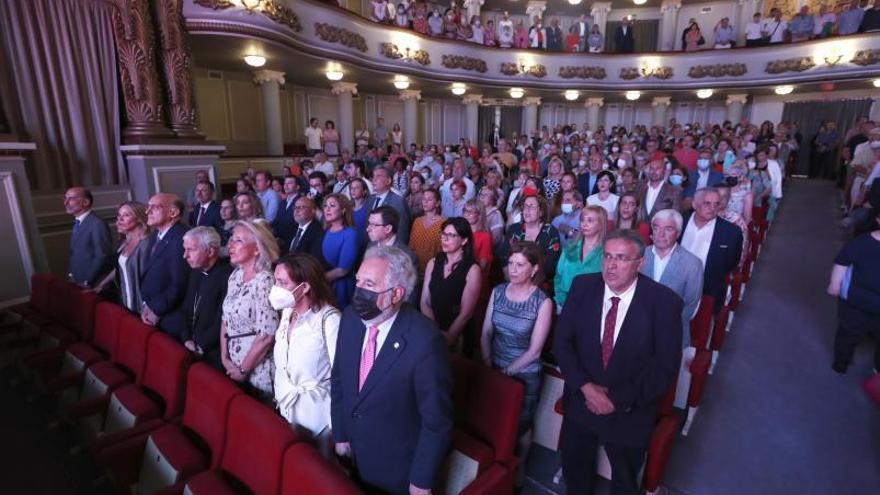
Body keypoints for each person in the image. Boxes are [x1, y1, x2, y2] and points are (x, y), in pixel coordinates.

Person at [554, 229, 682, 495]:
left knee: (624, 481)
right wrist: (587, 388)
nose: (611, 265)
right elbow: (562, 344)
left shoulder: (664, 303)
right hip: (582, 400)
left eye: (622, 258)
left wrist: (616, 400)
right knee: (575, 471)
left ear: (640, 263)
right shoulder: (582, 286)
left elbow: (664, 367)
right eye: (608, 256)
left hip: (629, 409)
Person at [330, 246, 453, 495]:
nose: (359, 292)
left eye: (369, 284)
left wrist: (421, 479)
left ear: (396, 294)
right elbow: (339, 380)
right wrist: (341, 434)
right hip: (353, 452)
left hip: (395, 467)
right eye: (358, 281)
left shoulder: (425, 341)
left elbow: (436, 421)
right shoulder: (351, 319)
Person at [480, 241, 553, 465]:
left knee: (520, 428)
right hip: (494, 365)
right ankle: (497, 468)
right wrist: (487, 360)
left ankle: (519, 468)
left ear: (534, 269)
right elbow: (486, 331)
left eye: (520, 265)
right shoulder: (498, 291)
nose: (512, 269)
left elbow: (535, 350)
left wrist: (506, 372)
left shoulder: (542, 302)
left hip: (524, 372)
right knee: (492, 422)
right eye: (510, 263)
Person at [271, 253, 340, 457]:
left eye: (282, 282)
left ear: (305, 287)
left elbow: (341, 378)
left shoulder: (330, 320)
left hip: (317, 421)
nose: (275, 288)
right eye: (275, 280)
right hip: (285, 408)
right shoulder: (287, 312)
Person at [221, 220, 280, 397]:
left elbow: (267, 336)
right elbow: (226, 318)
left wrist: (243, 370)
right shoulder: (236, 275)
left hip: (258, 371)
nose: (230, 245)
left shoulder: (264, 281)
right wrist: (225, 358)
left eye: (238, 240)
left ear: (257, 248)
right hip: (233, 363)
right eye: (231, 240)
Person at [828, 208, 880, 373]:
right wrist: (835, 283)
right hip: (855, 300)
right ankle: (841, 360)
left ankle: (877, 370)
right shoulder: (862, 242)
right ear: (878, 220)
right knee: (849, 332)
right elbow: (842, 261)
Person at [642, 209, 703, 348]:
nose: (661, 234)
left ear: (678, 233)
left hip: (672, 335)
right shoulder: (639, 256)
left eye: (668, 229)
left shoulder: (692, 264)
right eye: (656, 228)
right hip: (638, 332)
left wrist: (663, 329)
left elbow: (690, 306)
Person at [421, 218, 481, 348]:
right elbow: (425, 301)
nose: (444, 239)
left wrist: (449, 337)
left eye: (451, 235)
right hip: (432, 329)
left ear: (464, 240)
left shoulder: (472, 269)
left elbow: (466, 313)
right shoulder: (433, 262)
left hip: (457, 335)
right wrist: (435, 332)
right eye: (443, 234)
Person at [680, 188, 744, 311]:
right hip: (674, 286)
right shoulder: (679, 222)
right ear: (694, 204)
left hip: (707, 291)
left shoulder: (731, 232)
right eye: (707, 203)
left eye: (716, 204)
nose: (712, 208)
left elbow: (731, 263)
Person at [181, 227, 233, 370]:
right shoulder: (196, 271)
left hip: (213, 351)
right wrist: (186, 338)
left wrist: (199, 344)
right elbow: (186, 308)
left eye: (190, 250)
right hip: (189, 343)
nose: (185, 256)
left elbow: (222, 321)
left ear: (210, 251)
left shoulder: (228, 277)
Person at [140, 193, 189, 337]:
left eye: (154, 207)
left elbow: (179, 284)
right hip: (151, 310)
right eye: (147, 207)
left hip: (168, 317)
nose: (147, 211)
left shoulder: (182, 238)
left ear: (173, 213)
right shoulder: (155, 235)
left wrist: (156, 309)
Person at [89, 201, 150, 313]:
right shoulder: (125, 243)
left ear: (139, 218)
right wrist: (101, 285)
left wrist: (149, 306)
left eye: (126, 215)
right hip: (124, 300)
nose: (120, 220)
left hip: (142, 304)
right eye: (119, 215)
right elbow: (120, 267)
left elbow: (150, 279)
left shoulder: (146, 244)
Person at [554, 206, 607, 310]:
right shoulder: (570, 246)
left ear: (601, 224)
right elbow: (558, 276)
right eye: (582, 220)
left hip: (592, 307)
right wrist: (561, 300)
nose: (584, 224)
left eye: (590, 220)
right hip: (565, 303)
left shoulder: (606, 252)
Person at [505, 193, 562, 287]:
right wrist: (512, 280)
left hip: (539, 284)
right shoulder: (514, 229)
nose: (527, 210)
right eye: (525, 206)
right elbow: (504, 258)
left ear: (541, 212)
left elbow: (550, 265)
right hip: (513, 280)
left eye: (532, 207)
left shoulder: (550, 232)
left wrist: (529, 284)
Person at [64, 187, 113, 288]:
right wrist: (71, 275)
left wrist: (87, 280)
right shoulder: (78, 222)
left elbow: (102, 255)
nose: (66, 202)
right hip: (77, 280)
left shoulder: (97, 224)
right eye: (65, 198)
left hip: (93, 283)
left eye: (71, 198)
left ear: (85, 202)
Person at [321, 193, 359, 309]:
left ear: (343, 210)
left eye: (332, 205)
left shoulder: (350, 233)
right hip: (326, 284)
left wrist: (318, 280)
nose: (327, 209)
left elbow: (343, 270)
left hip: (342, 287)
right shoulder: (326, 230)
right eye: (325, 206)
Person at [366, 205, 418, 271]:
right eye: (369, 224)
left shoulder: (406, 257)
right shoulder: (371, 245)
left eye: (373, 225)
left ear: (388, 229)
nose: (367, 229)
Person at [369, 164, 411, 242]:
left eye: (378, 176)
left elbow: (402, 233)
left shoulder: (398, 202)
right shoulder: (370, 199)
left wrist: (394, 253)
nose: (374, 180)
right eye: (373, 176)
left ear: (388, 181)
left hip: (389, 250)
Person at [410, 189, 445, 279]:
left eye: (429, 199)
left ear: (437, 203)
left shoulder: (443, 223)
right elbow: (411, 246)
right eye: (423, 199)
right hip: (414, 269)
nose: (425, 202)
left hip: (433, 271)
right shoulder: (417, 221)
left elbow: (443, 250)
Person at [273, 176, 302, 247]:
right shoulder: (283, 202)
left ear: (297, 187)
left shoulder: (301, 202)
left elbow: (298, 226)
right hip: (278, 240)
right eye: (285, 183)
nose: (286, 186)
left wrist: (284, 241)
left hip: (292, 243)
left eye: (290, 183)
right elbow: (277, 221)